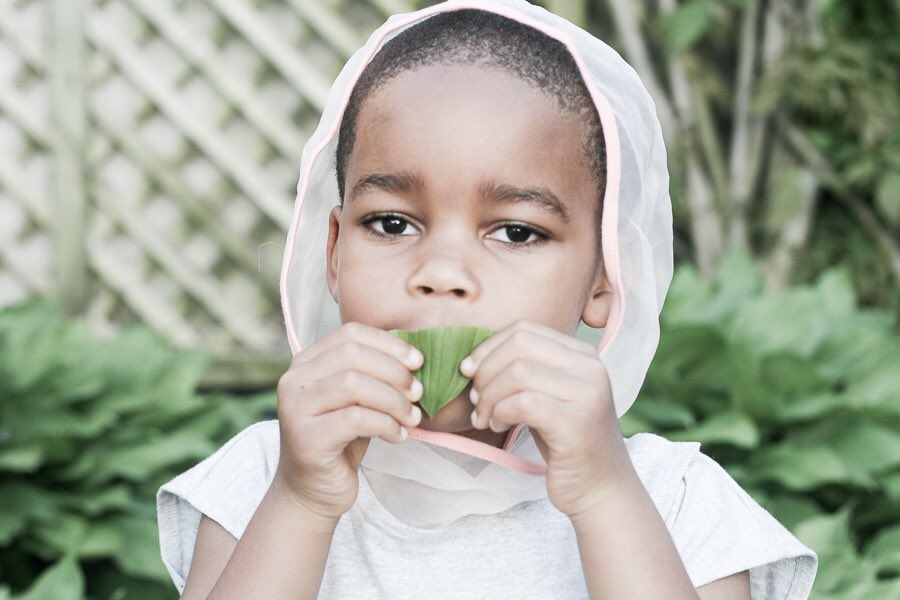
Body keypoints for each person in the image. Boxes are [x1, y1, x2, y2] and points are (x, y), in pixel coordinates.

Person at [157, 1, 817, 598]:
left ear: (604, 280)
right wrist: (301, 502)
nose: (442, 274)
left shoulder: (676, 500)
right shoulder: (266, 475)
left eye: (516, 231)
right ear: (334, 252)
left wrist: (605, 495)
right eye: (392, 223)